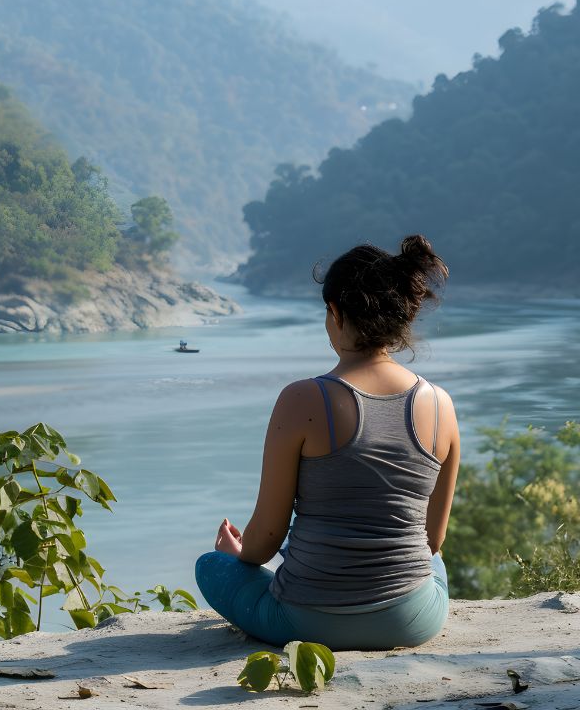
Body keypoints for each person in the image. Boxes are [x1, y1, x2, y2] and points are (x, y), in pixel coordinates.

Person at [194, 235, 459, 650]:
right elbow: (432, 541)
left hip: (305, 624)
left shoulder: (302, 399)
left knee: (211, 566)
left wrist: (237, 554)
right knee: (435, 565)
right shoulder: (441, 406)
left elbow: (263, 541)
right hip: (410, 621)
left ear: (334, 313)